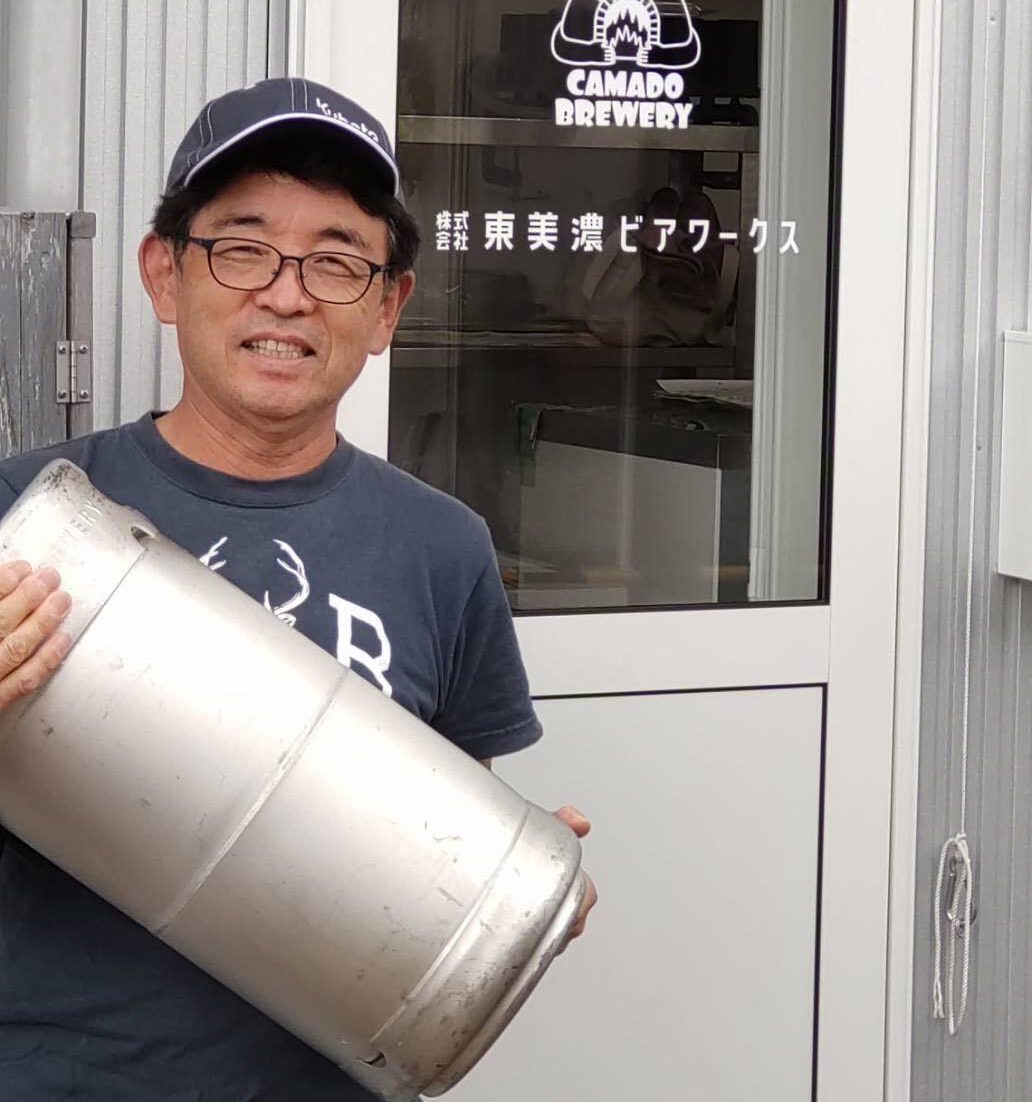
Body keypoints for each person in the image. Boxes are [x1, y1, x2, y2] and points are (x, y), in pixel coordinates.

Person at [0, 77, 597, 1102]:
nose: (286, 295)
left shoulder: (441, 549)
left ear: (387, 306)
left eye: (336, 259)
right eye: (242, 248)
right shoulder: (26, 519)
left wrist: (511, 897)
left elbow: (430, 857)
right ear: (164, 274)